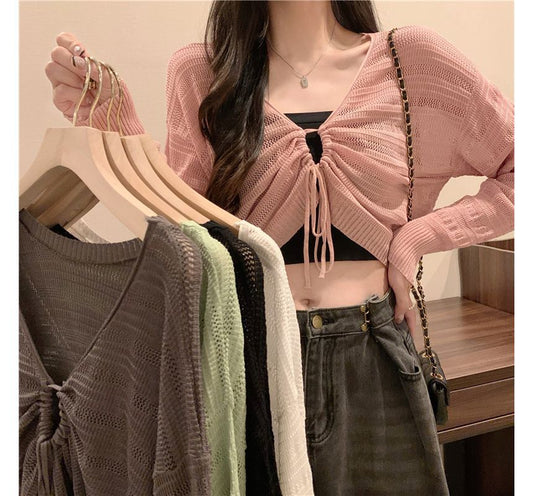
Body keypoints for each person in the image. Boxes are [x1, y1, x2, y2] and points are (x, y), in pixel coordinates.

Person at [45, 1, 514, 494]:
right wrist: (117, 129)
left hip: (373, 357)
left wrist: (416, 240)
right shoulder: (202, 72)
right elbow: (183, 236)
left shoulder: (409, 60)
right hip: (250, 358)